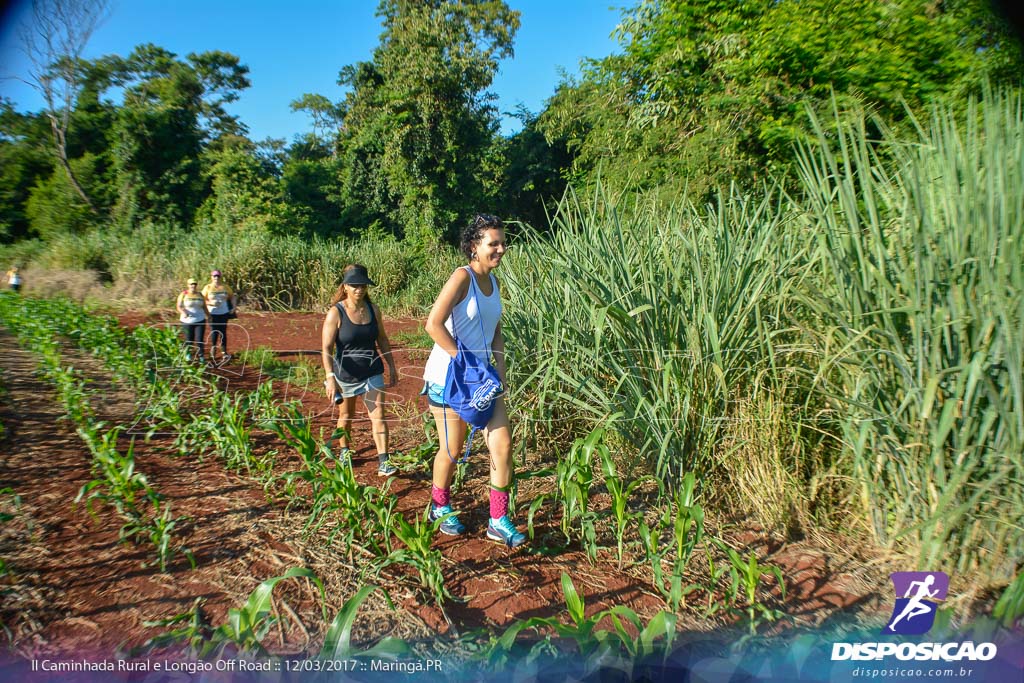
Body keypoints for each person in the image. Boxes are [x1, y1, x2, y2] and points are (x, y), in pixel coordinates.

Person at [421, 214, 525, 547]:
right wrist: (462, 359)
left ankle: (498, 519)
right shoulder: (461, 277)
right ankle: (440, 505)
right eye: (493, 243)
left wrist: (501, 372)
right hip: (450, 377)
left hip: (483, 380)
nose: (501, 249)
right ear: (473, 247)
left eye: (502, 243)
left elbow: (496, 332)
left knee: (503, 444)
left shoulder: (493, 284)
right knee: (451, 451)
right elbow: (433, 324)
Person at [321, 264, 398, 476]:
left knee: (379, 415)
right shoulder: (336, 313)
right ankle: (344, 450)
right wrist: (330, 377)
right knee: (347, 415)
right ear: (345, 286)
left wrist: (391, 365)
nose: (359, 289)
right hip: (346, 373)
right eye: (354, 285)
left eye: (363, 285)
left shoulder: (373, 310)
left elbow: (382, 338)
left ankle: (384, 461)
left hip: (372, 369)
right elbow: (326, 348)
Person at [202, 269, 237, 363]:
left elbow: (232, 297)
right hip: (212, 313)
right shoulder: (208, 287)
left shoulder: (225, 287)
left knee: (223, 332)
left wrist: (234, 307)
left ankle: (224, 351)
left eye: (218, 276)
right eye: (214, 276)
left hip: (224, 313)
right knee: (214, 331)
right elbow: (202, 299)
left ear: (220, 277)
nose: (216, 278)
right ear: (211, 277)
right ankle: (213, 349)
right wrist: (211, 303)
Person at [176, 278, 209, 362]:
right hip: (187, 321)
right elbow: (179, 306)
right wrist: (183, 312)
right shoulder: (183, 294)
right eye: (191, 284)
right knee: (189, 339)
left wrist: (209, 316)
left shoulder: (200, 295)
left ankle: (201, 356)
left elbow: (204, 307)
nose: (193, 286)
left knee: (199, 339)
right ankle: (188, 355)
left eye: (194, 284)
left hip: (200, 320)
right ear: (188, 285)